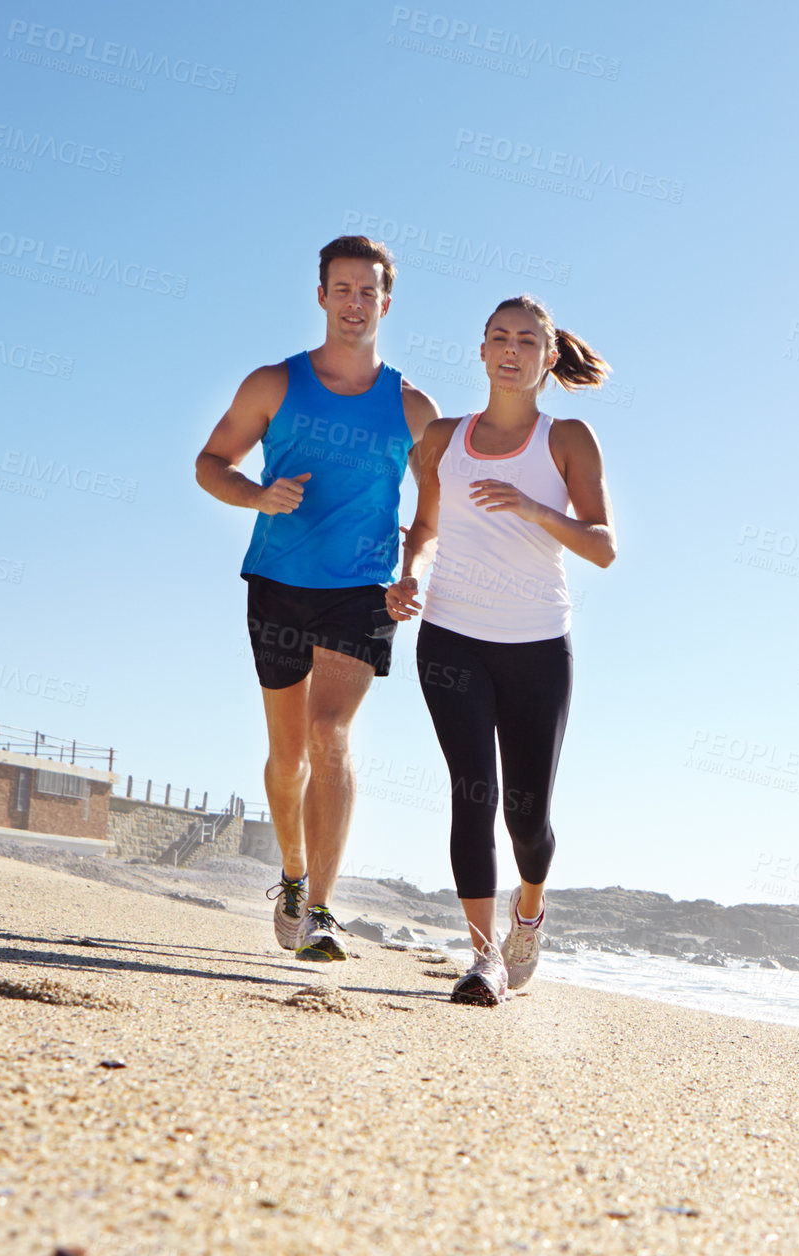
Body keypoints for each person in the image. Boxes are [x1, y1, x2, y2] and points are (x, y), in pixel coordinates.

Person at [195, 236, 440, 961]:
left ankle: (324, 912)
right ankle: (294, 877)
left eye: (368, 292)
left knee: (330, 733)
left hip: (361, 590)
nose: (355, 303)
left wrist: (411, 569)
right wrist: (257, 496)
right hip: (277, 583)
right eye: (343, 289)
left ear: (385, 304)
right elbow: (211, 463)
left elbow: (432, 511)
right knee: (288, 753)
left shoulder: (414, 406)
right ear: (322, 297)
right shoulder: (274, 384)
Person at [386, 294, 615, 1005]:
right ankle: (483, 958)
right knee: (471, 794)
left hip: (537, 643)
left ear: (549, 358)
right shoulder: (443, 440)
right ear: (481, 352)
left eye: (525, 340)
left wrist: (535, 508)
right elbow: (422, 529)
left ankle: (530, 909)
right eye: (497, 337)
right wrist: (408, 580)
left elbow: (603, 547)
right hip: (451, 634)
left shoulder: (568, 438)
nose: (510, 349)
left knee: (527, 817)